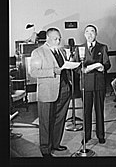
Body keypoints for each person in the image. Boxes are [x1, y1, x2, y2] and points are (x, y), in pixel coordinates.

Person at [30, 27, 71, 157]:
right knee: (46, 121)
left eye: (59, 38)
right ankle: (45, 149)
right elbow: (34, 72)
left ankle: (55, 144)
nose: (58, 40)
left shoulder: (61, 51)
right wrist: (52, 71)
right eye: (55, 38)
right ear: (47, 38)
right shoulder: (38, 52)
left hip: (64, 89)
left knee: (60, 119)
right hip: (47, 92)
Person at [74, 24, 111, 144]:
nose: (90, 34)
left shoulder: (103, 47)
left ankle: (101, 135)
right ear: (84, 34)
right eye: (87, 32)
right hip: (85, 84)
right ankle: (87, 135)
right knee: (86, 111)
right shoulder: (79, 48)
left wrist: (103, 67)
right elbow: (76, 66)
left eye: (92, 32)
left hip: (99, 83)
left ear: (96, 34)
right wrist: (82, 70)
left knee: (99, 110)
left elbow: (107, 64)